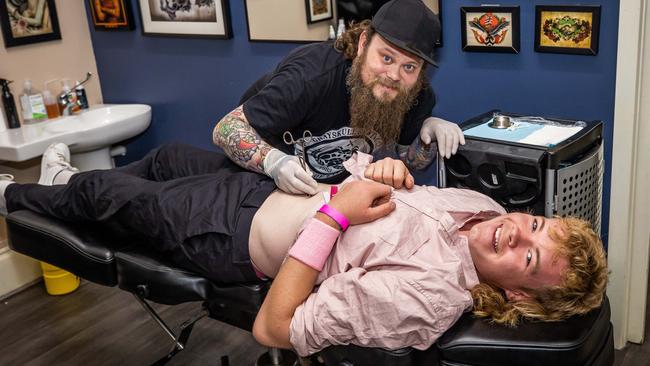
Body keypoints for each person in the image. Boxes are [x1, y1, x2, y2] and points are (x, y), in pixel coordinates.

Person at [0, 143, 608, 357]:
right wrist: (387, 170)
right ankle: (71, 194)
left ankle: (21, 195)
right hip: (262, 188)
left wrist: (335, 215)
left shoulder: (426, 297)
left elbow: (274, 327)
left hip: (229, 235)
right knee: (164, 159)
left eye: (527, 257)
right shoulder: (488, 212)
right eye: (534, 225)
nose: (515, 233)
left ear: (514, 293)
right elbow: (389, 194)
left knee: (107, 191)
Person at [213, 0, 465, 195]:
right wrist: (273, 162)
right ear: (363, 43)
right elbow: (226, 128)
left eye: (409, 66)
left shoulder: (412, 93)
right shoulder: (311, 75)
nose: (394, 75)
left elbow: (411, 160)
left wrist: (428, 137)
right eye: (386, 58)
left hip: (332, 195)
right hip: (259, 184)